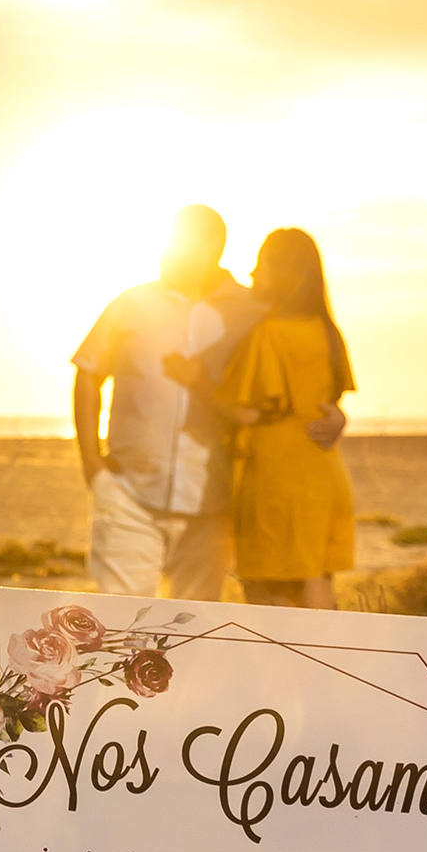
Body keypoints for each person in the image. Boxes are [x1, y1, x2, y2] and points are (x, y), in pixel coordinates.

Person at [70, 206, 264, 600]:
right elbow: (89, 372)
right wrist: (92, 464)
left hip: (213, 501)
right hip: (128, 494)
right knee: (119, 625)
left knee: (190, 633)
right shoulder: (131, 303)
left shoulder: (251, 311)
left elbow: (285, 380)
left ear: (216, 246)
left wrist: (333, 413)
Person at [185, 228, 356, 609]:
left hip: (277, 476)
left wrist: (197, 381)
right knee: (316, 579)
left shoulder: (270, 334)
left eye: (261, 265)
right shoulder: (326, 331)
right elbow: (327, 401)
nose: (251, 274)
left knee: (274, 592)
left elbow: (247, 410)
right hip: (323, 473)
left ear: (281, 273)